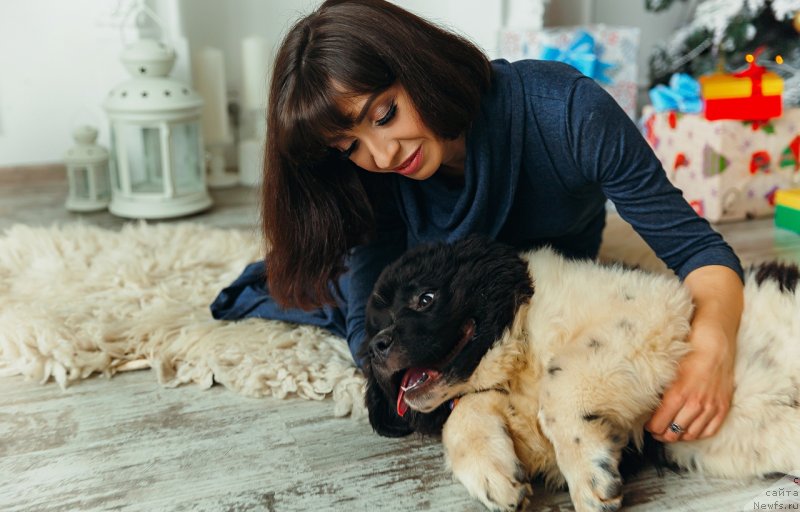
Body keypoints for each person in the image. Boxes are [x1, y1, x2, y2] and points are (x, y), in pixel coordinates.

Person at [211, 0, 744, 445]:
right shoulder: (371, 176)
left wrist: (711, 350)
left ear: (416, 65)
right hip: (436, 306)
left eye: (384, 114)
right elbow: (370, 303)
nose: (382, 153)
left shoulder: (568, 113)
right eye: (350, 145)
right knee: (318, 290)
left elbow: (697, 251)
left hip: (546, 292)